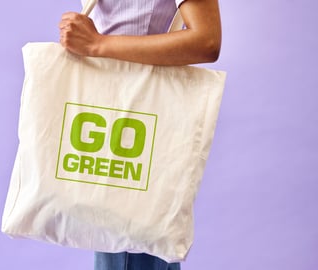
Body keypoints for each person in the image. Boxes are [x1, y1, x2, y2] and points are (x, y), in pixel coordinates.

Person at [58, 0, 222, 269]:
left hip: (137, 118)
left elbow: (207, 40)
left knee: (132, 242)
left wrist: (97, 44)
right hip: (111, 114)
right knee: (131, 241)